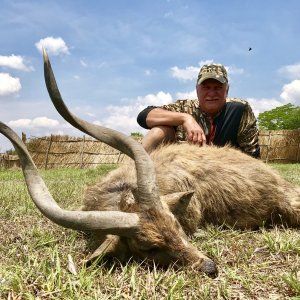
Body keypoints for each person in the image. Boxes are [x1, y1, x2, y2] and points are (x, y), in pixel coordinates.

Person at [137, 63, 260, 158]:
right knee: (159, 131)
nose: (211, 93)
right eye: (206, 87)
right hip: (182, 170)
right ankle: (135, 177)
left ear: (226, 90)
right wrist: (185, 119)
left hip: (225, 173)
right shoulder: (184, 108)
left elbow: (252, 154)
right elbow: (144, 116)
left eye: (218, 87)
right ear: (197, 90)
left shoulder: (239, 110)